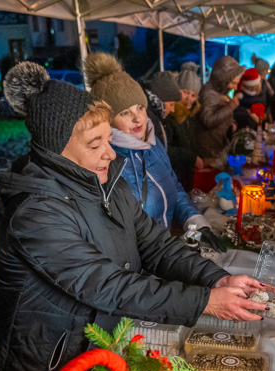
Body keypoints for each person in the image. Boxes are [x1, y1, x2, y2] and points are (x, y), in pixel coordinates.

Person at [0, 63, 268, 371]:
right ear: (57, 149)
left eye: (109, 139)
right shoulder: (36, 212)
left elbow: (157, 244)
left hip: (99, 348)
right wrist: (203, 301)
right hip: (49, 370)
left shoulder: (107, 182)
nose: (110, 152)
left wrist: (216, 278)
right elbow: (107, 285)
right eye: (96, 144)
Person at [84, 53, 222, 250]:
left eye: (140, 108)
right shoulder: (106, 162)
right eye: (125, 113)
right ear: (108, 120)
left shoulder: (153, 143)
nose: (138, 119)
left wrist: (197, 224)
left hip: (162, 256)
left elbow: (174, 189)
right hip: (134, 266)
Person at [197, 55, 245, 161]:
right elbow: (208, 120)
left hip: (219, 147)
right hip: (210, 151)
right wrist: (230, 107)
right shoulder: (209, 93)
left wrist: (232, 124)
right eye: (233, 83)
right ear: (222, 79)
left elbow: (222, 115)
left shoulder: (222, 92)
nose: (235, 87)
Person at [166, 68, 203, 192]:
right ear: (177, 90)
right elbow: (167, 149)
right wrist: (191, 157)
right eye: (185, 92)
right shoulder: (170, 115)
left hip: (186, 176)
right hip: (173, 177)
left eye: (193, 95)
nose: (189, 99)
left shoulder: (190, 116)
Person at [143, 71, 182, 149]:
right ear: (160, 101)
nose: (173, 110)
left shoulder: (156, 114)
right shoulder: (149, 118)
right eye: (171, 104)